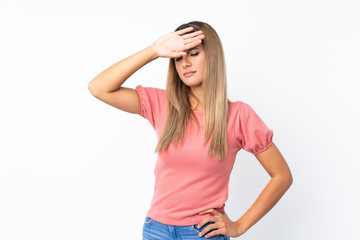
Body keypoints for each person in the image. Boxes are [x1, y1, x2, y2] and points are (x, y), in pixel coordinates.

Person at [88, 21, 293, 240]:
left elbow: (281, 176)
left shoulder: (238, 115)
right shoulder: (162, 104)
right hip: (156, 230)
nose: (185, 63)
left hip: (203, 233)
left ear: (212, 57)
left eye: (194, 53)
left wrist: (240, 226)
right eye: (178, 57)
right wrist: (153, 51)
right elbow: (99, 88)